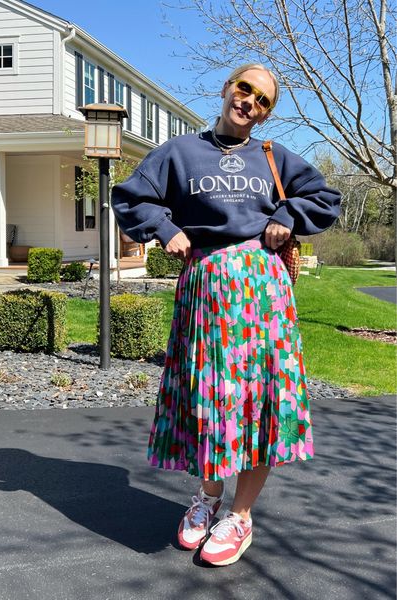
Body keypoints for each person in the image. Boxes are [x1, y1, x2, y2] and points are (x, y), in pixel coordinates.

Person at [111, 63, 341, 567]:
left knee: (259, 397)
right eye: (245, 89)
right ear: (227, 89)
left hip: (262, 290)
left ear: (265, 113)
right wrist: (164, 227)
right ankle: (208, 498)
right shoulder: (179, 152)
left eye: (262, 100)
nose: (250, 102)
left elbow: (326, 198)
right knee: (211, 396)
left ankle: (240, 515)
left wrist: (285, 217)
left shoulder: (273, 155)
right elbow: (130, 198)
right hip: (205, 286)